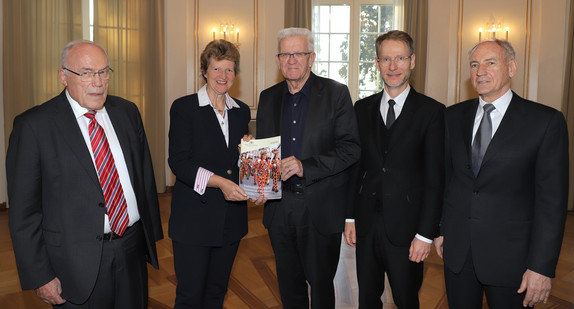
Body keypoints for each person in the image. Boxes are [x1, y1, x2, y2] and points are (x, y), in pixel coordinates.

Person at [6, 40, 164, 308]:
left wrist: (150, 240)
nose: (98, 82)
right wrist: (40, 275)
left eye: (104, 72)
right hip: (74, 264)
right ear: (63, 76)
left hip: (131, 250)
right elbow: (24, 212)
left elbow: (143, 178)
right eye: (87, 73)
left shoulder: (127, 112)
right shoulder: (33, 126)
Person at [434, 39, 569, 308]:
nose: (480, 71)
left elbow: (552, 203)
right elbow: (447, 180)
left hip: (513, 260)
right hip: (458, 253)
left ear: (512, 67)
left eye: (490, 62)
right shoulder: (452, 116)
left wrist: (541, 267)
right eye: (474, 64)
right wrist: (441, 229)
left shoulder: (545, 121)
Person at [256, 27, 361, 308]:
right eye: (285, 54)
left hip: (319, 209)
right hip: (278, 208)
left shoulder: (336, 93)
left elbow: (350, 148)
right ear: (278, 60)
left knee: (321, 288)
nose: (292, 60)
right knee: (289, 288)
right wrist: (253, 162)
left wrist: (306, 166)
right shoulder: (267, 97)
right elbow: (265, 148)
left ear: (311, 57)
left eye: (299, 53)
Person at [344, 30, 445, 309]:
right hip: (366, 225)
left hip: (408, 229)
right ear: (377, 63)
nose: (392, 66)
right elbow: (355, 168)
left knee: (406, 299)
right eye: (386, 59)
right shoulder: (361, 109)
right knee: (367, 299)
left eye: (400, 58)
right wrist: (350, 217)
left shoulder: (433, 112)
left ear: (412, 61)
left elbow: (436, 179)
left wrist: (425, 234)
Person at [168, 39, 251, 309]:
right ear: (204, 71)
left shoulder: (241, 112)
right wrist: (220, 183)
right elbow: (179, 163)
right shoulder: (184, 108)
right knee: (191, 296)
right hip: (194, 218)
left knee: (217, 293)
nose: (223, 76)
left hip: (231, 219)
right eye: (216, 69)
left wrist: (249, 155)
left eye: (229, 70)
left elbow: (235, 163)